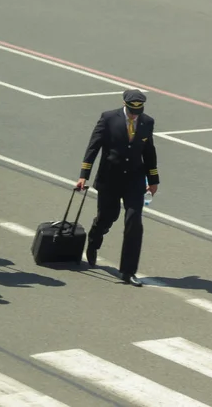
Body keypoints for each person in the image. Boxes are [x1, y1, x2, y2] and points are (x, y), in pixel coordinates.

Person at [75, 89, 159, 287]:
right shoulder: (108, 118)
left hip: (134, 181)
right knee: (107, 216)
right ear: (124, 104)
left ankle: (128, 271)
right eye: (131, 111)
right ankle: (94, 239)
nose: (133, 115)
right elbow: (93, 147)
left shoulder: (147, 122)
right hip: (110, 179)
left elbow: (149, 151)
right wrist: (83, 175)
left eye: (137, 112)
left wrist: (153, 179)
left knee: (134, 222)